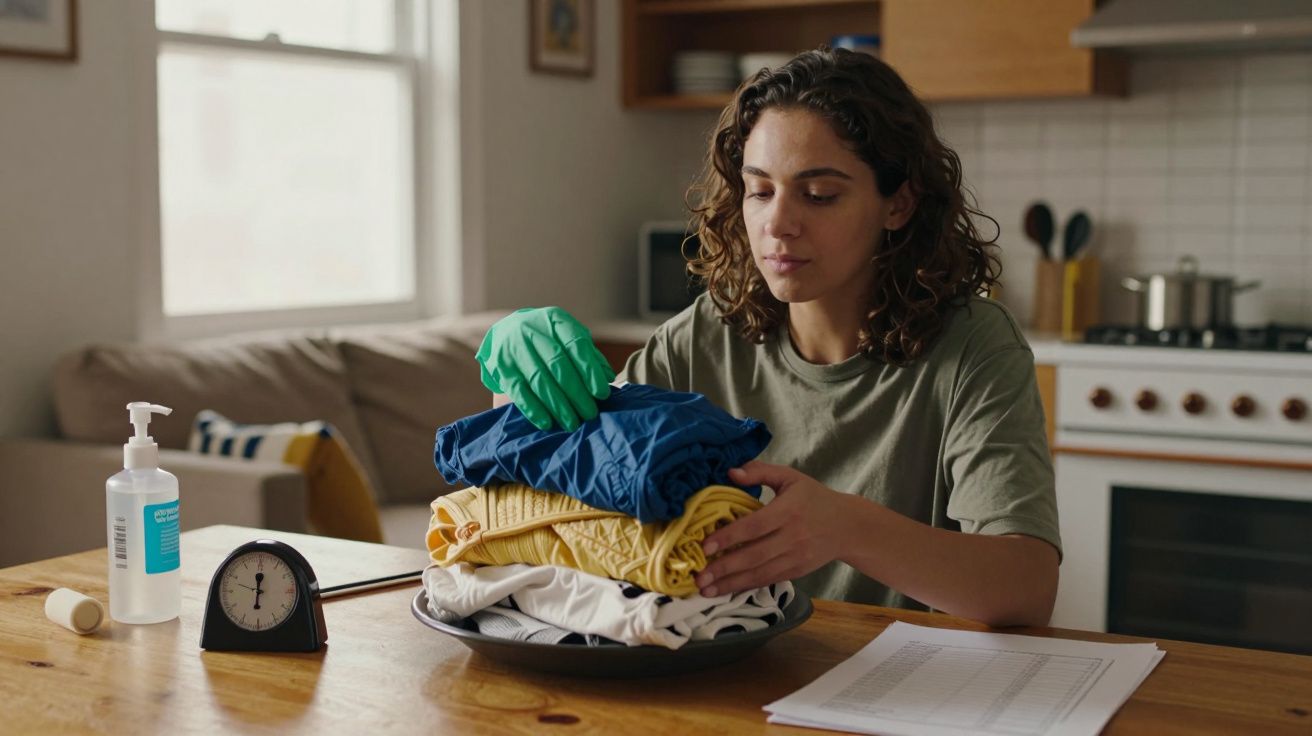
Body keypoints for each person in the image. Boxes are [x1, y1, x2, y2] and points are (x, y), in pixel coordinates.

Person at [476, 47, 1060, 627]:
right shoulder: (706, 333)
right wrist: (517, 385)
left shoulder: (974, 347)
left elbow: (1026, 586)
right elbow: (564, 481)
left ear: (898, 203)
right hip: (724, 671)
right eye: (759, 190)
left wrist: (844, 527)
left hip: (895, 682)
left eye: (819, 195)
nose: (778, 224)